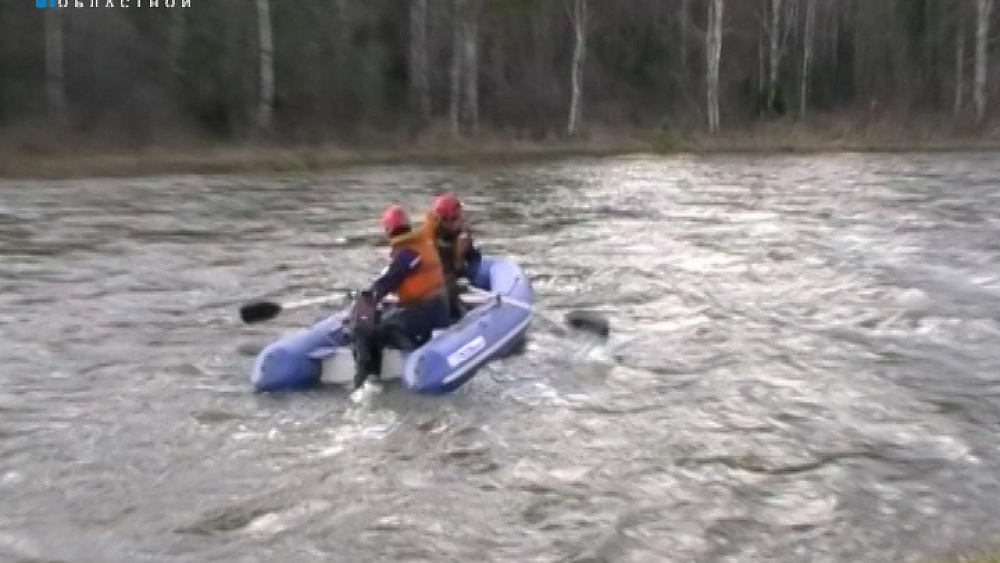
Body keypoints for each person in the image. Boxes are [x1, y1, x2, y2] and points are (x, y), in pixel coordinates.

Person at [351, 204, 451, 378]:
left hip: (427, 312)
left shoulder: (407, 254)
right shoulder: (421, 243)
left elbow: (387, 281)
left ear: (388, 230)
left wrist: (368, 296)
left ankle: (392, 369)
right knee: (393, 317)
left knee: (384, 329)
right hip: (438, 307)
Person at [425, 192, 483, 320]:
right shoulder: (432, 240)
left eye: (458, 217)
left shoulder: (462, 236)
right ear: (444, 220)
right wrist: (458, 254)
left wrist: (461, 255)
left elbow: (471, 268)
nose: (460, 221)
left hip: (454, 280)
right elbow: (447, 272)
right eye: (456, 218)